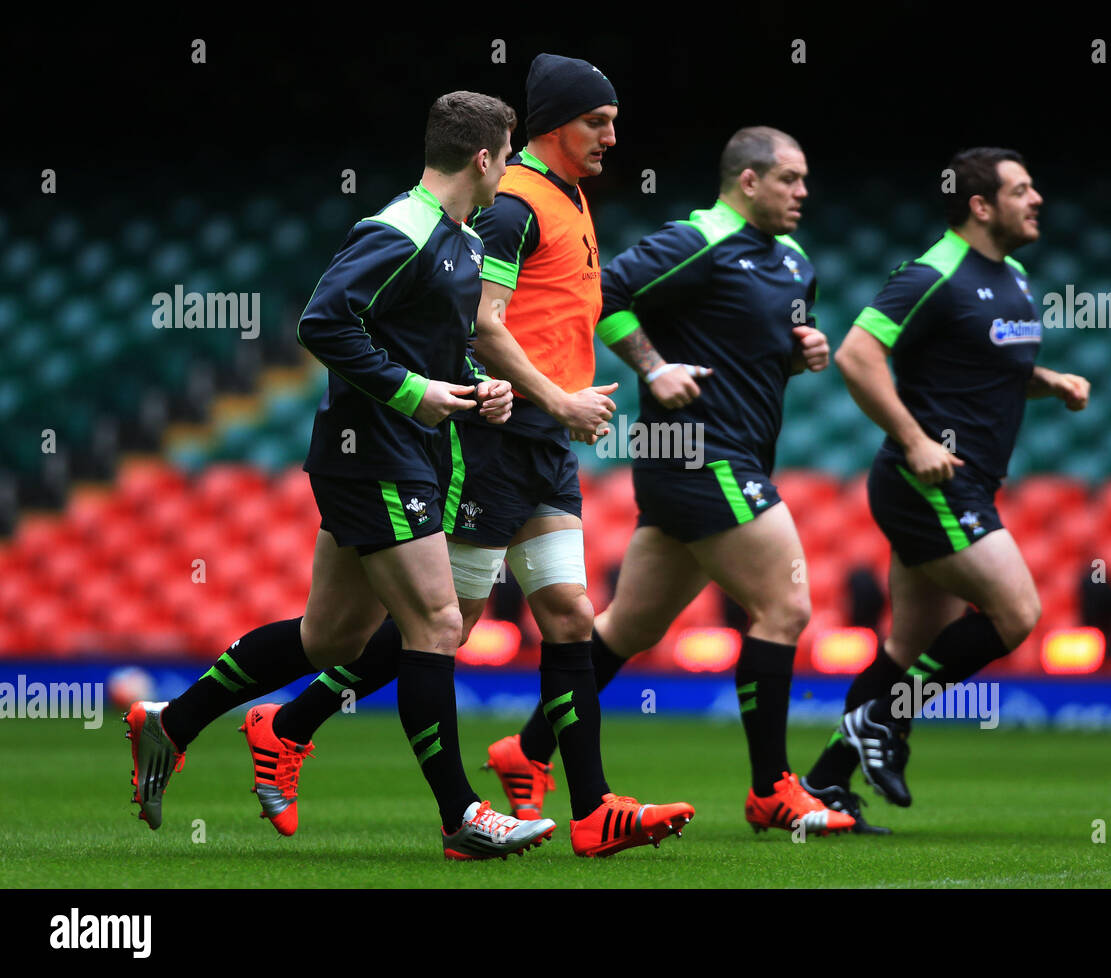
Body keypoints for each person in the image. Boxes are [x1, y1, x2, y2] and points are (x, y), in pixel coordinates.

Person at [251, 54, 693, 858]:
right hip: (492, 438)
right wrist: (551, 397)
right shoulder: (509, 207)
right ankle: (289, 724)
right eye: (599, 121)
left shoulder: (566, 199)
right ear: (554, 125)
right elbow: (483, 324)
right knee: (440, 627)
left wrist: (584, 396)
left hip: (543, 444)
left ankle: (591, 809)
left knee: (564, 616)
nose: (613, 136)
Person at [125, 91, 557, 860]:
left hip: (400, 451)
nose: (515, 165)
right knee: (437, 625)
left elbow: (419, 343)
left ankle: (173, 721)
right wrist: (412, 392)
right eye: (510, 152)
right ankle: (462, 815)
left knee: (330, 639)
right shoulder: (404, 227)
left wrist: (469, 388)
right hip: (375, 453)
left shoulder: (459, 239)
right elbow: (321, 321)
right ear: (485, 158)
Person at [483, 126, 874, 837]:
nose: (803, 193)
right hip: (699, 454)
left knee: (630, 626)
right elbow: (609, 293)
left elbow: (756, 346)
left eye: (805, 179)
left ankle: (527, 748)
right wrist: (653, 367)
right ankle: (771, 790)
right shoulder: (697, 240)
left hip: (728, 457)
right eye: (789, 178)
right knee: (785, 606)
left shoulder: (791, 262)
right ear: (748, 181)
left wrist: (800, 350)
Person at [801, 147, 1090, 812]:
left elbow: (987, 363)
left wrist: (1050, 381)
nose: (1037, 198)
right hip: (926, 481)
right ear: (980, 206)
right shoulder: (934, 272)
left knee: (910, 646)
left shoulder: (1013, 273)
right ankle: (885, 720)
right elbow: (856, 354)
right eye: (1022, 189)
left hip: (968, 481)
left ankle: (825, 782)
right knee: (1017, 614)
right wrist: (914, 440)